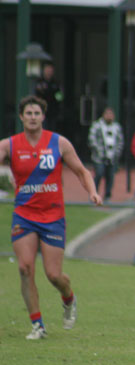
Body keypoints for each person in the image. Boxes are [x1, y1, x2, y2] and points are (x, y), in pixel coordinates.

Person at [0, 95, 102, 340]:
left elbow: (81, 171)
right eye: (28, 113)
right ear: (21, 117)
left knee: (54, 274)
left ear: (43, 116)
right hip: (24, 215)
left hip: (52, 216)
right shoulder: (9, 145)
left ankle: (68, 298)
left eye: (37, 113)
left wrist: (93, 192)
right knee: (25, 268)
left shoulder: (59, 143)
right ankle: (38, 325)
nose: (33, 117)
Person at [88, 107, 124, 201]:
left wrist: (116, 154)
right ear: (103, 115)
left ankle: (107, 196)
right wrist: (99, 151)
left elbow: (120, 141)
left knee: (110, 177)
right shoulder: (97, 125)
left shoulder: (116, 127)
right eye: (107, 114)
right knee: (99, 174)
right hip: (99, 158)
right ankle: (94, 194)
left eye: (111, 114)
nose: (109, 116)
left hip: (112, 158)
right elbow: (92, 139)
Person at [34, 62, 63, 132]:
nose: (49, 72)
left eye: (51, 71)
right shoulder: (39, 83)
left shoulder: (55, 84)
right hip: (42, 112)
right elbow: (37, 96)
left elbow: (60, 97)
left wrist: (56, 96)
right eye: (47, 70)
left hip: (53, 111)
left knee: (52, 130)